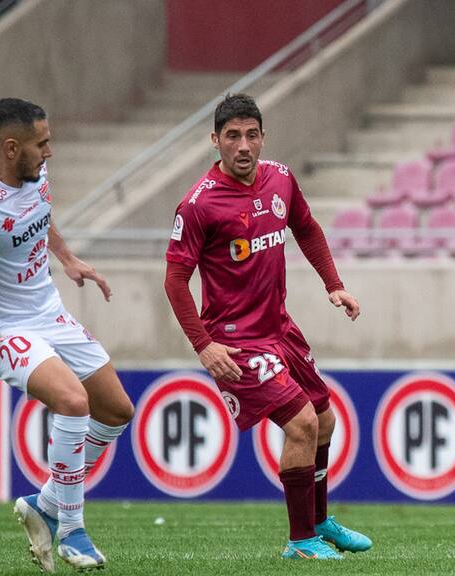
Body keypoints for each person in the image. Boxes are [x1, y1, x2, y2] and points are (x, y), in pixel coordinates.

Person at [164, 93, 372, 560]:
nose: (243, 145)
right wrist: (203, 346)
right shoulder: (198, 206)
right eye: (232, 136)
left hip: (280, 328)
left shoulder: (280, 179)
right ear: (214, 140)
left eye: (251, 135)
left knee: (324, 420)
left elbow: (308, 227)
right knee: (299, 423)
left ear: (262, 138)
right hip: (235, 342)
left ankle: (320, 522)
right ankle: (300, 542)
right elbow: (175, 279)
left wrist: (333, 285)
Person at [0, 98, 134, 572]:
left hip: (48, 312)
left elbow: (39, 211)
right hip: (0, 328)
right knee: (73, 402)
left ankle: (45, 504)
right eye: (42, 143)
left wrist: (67, 257)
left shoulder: (33, 173)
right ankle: (72, 530)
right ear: (11, 148)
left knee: (116, 410)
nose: (50, 151)